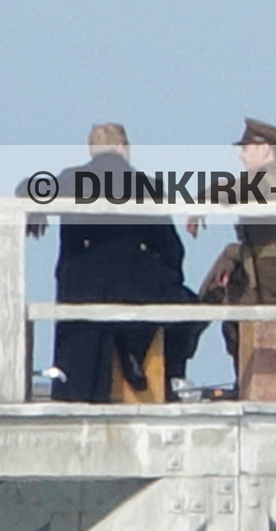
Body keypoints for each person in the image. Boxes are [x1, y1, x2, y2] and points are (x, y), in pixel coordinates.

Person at [17, 124, 206, 402]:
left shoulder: (71, 179)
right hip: (135, 292)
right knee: (192, 310)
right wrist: (170, 278)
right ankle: (162, 371)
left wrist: (34, 209)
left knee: (78, 388)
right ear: (123, 148)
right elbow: (170, 249)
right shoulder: (147, 185)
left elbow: (24, 187)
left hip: (79, 291)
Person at [201, 119, 276, 374]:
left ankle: (184, 339)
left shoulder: (273, 180)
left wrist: (200, 200)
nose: (241, 156)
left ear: (264, 149)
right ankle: (188, 328)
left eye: (246, 148)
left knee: (225, 307)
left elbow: (233, 190)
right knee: (228, 258)